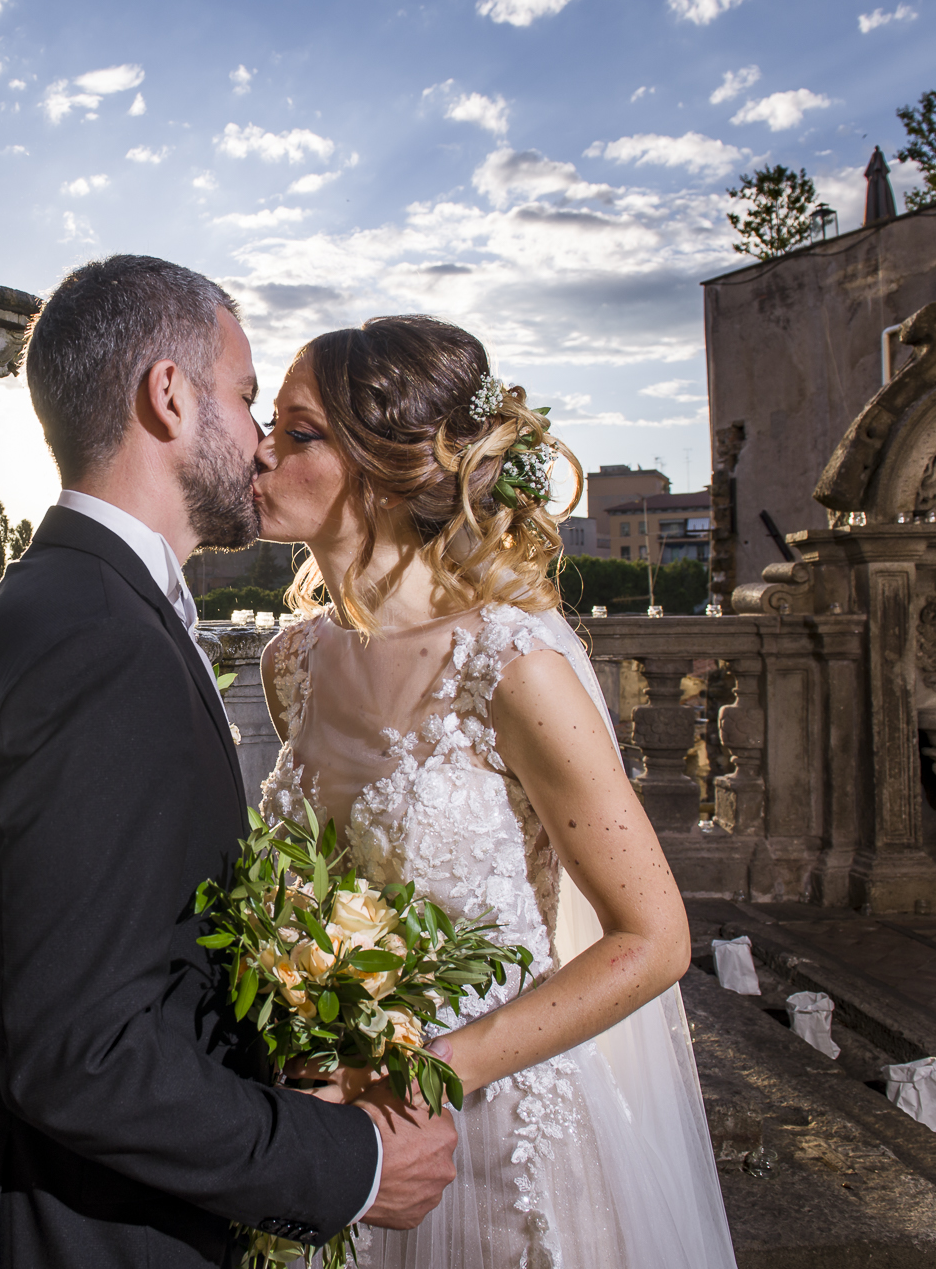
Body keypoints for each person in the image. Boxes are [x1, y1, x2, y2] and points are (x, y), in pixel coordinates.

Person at [0, 258, 460, 1267]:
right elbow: (79, 1054)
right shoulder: (94, 639)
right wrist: (343, 1163)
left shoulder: (47, 611)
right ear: (169, 398)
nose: (260, 441)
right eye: (248, 398)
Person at [252, 315, 739, 1269]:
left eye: (298, 433)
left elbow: (655, 941)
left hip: (498, 1136)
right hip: (339, 1137)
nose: (259, 454)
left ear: (388, 465)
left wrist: (424, 1078)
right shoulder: (293, 663)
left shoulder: (512, 667)